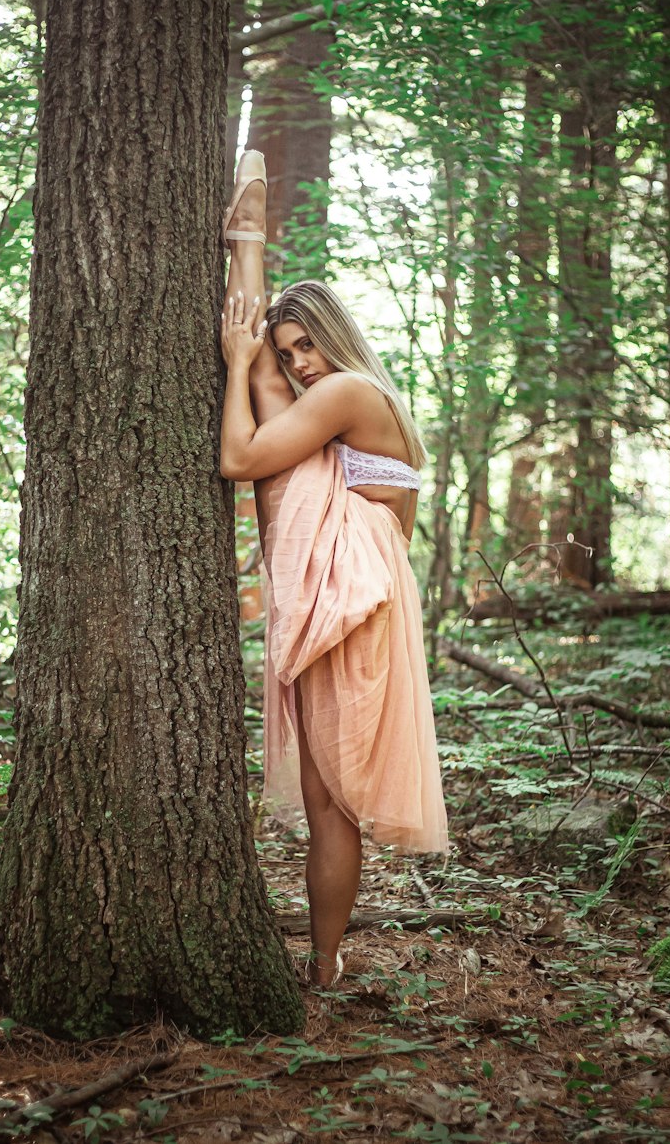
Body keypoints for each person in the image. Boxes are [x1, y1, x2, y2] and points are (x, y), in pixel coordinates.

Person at [219, 150, 448, 988]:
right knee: (323, 806)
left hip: (349, 603)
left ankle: (322, 965)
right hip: (337, 590)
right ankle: (324, 968)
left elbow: (240, 457)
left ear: (339, 338)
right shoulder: (330, 407)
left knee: (336, 804)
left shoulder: (351, 391)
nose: (301, 362)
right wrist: (255, 362)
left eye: (308, 343)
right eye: (286, 352)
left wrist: (238, 366)